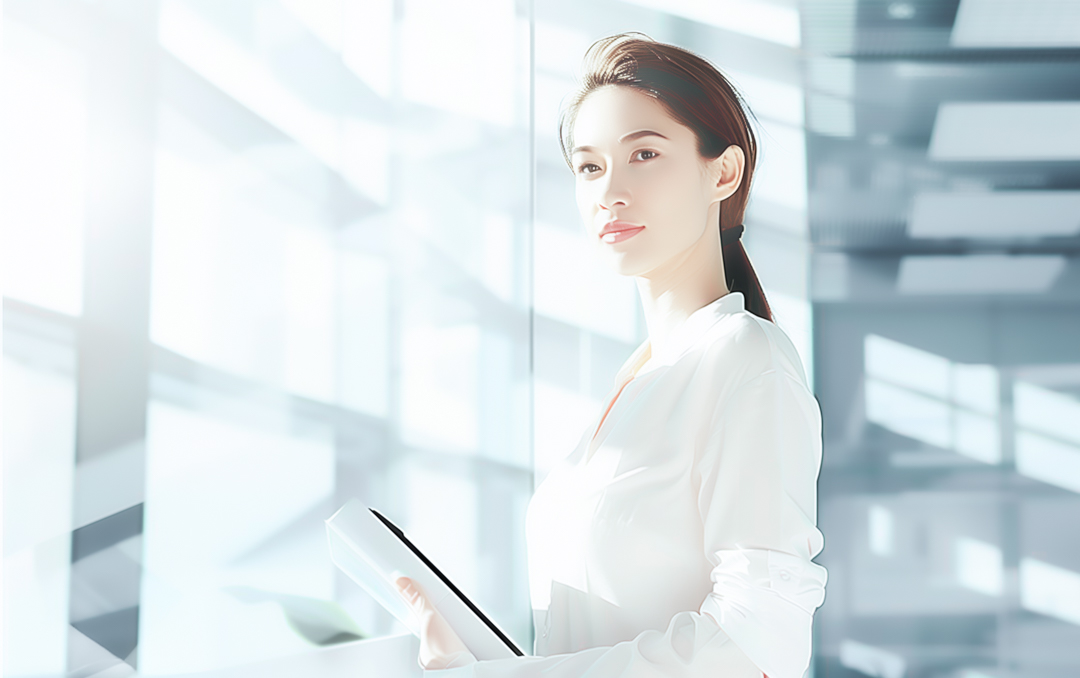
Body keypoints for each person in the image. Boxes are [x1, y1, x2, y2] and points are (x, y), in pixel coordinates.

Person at [394, 32, 827, 677]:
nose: (609, 191)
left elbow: (755, 644)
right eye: (590, 166)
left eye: (644, 154)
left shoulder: (745, 360)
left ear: (724, 172)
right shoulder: (636, 382)